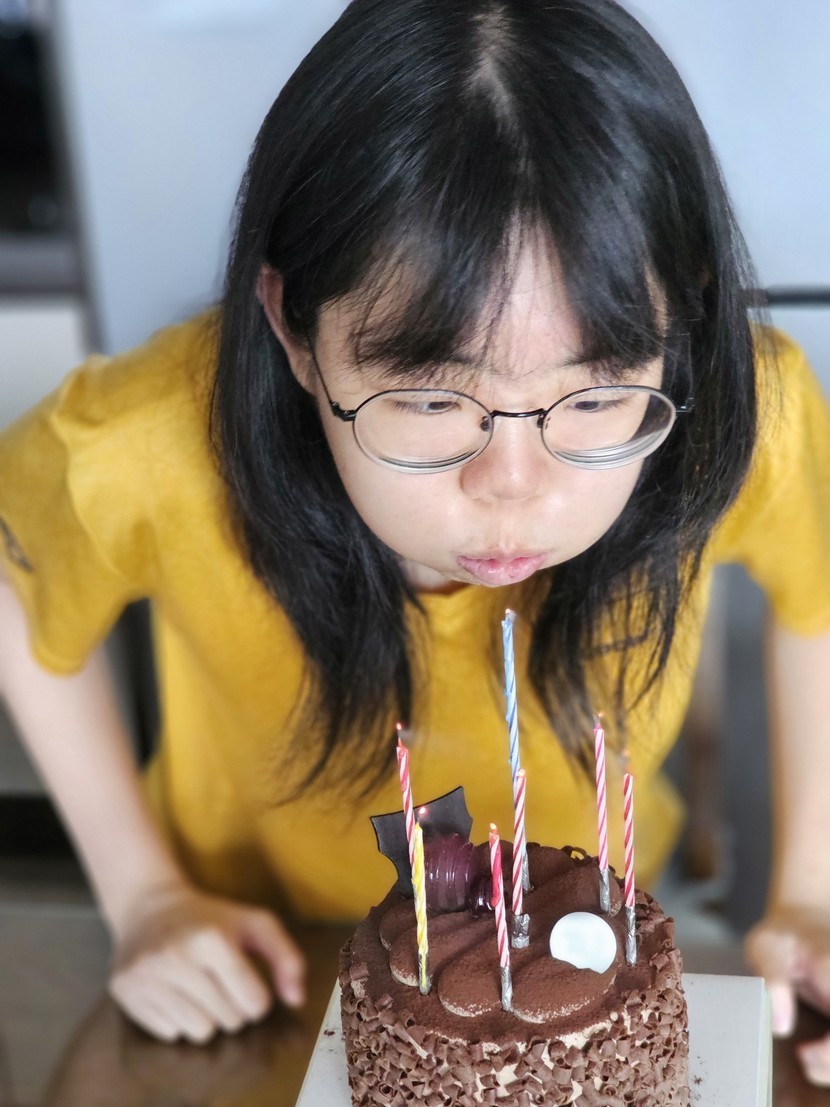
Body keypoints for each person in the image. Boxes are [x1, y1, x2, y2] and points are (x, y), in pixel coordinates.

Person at [0, 0, 829, 1083]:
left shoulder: (739, 413)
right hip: (267, 959)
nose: (514, 489)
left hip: (589, 962)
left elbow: (817, 597)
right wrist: (145, 892)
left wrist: (810, 889)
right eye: (432, 402)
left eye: (594, 397)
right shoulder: (150, 442)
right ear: (295, 331)